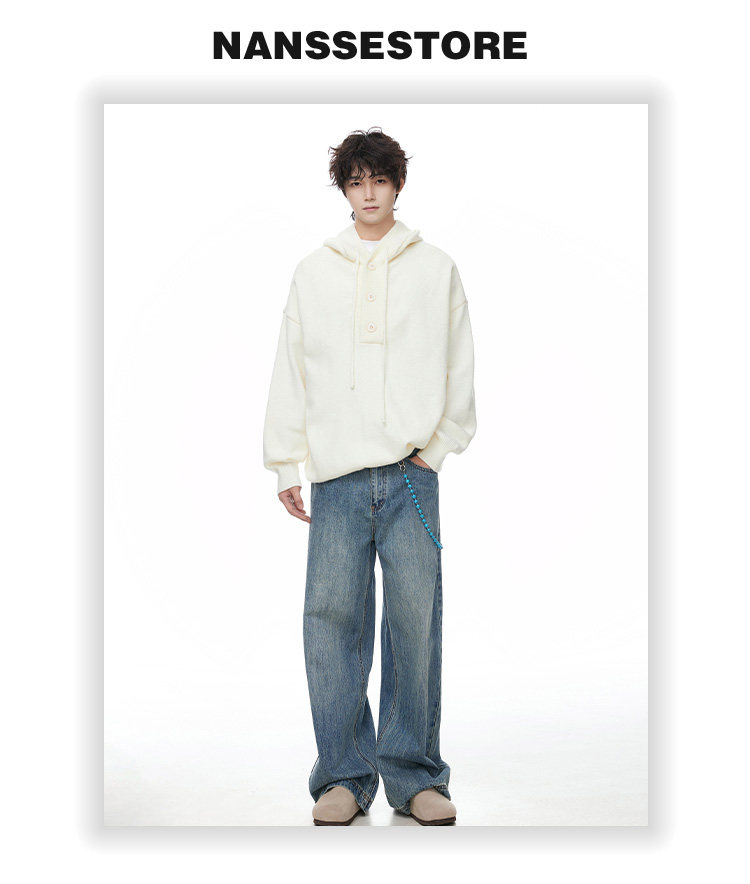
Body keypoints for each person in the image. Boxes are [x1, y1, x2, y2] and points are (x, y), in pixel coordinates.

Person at [262, 127, 477, 825]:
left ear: (398, 184)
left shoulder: (435, 268)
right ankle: (343, 776)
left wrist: (437, 448)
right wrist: (285, 459)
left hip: (412, 475)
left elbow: (459, 361)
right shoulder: (314, 271)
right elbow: (291, 365)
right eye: (356, 182)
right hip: (337, 477)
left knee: (414, 623)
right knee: (331, 624)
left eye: (379, 180)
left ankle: (415, 776)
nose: (369, 193)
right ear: (344, 190)